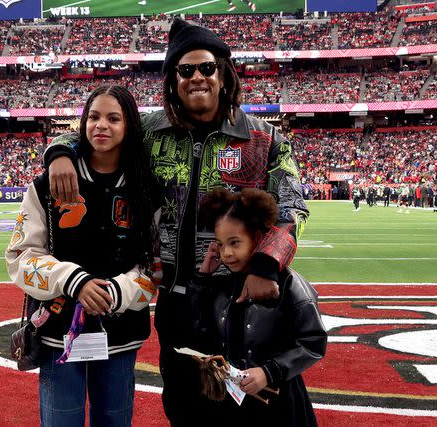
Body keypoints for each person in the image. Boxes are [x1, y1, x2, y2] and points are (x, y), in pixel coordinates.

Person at [43, 18, 309, 426]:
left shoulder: (263, 138)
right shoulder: (149, 131)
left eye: (207, 67)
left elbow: (293, 208)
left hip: (242, 301)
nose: (197, 77)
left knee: (253, 411)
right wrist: (59, 151)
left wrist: (266, 264)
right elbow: (96, 131)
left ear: (224, 73)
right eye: (185, 70)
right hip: (177, 302)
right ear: (173, 80)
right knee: (186, 409)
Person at [6, 85, 159, 427]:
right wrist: (73, 281)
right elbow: (20, 256)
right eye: (93, 116)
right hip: (57, 333)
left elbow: (155, 262)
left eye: (113, 118)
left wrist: (117, 293)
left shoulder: (147, 186)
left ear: (129, 125)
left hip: (120, 334)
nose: (101, 125)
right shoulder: (46, 184)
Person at [197, 188, 326, 424]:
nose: (226, 253)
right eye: (221, 244)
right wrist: (204, 279)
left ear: (258, 237)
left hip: (280, 404)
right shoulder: (221, 284)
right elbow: (202, 331)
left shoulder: (290, 284)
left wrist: (269, 372)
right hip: (232, 404)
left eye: (235, 243)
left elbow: (313, 342)